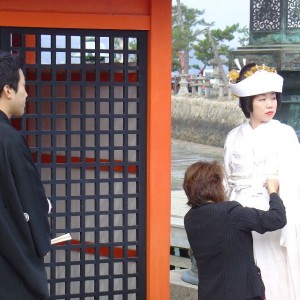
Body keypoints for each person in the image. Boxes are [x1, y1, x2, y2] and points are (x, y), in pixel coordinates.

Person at [225, 62, 300, 299]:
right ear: (248, 103)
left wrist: (289, 225)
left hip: (271, 214)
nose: (270, 105)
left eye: (273, 98)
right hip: (238, 213)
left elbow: (293, 179)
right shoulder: (233, 136)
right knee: (240, 275)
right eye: (262, 99)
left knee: (272, 273)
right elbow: (227, 180)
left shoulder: (284, 133)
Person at [183, 160, 286, 300]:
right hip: (243, 294)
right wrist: (273, 192)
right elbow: (277, 219)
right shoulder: (230, 212)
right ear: (215, 186)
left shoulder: (189, 219)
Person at [0, 50, 51, 299]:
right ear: (8, 90)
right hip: (9, 267)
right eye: (23, 86)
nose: (27, 93)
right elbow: (32, 200)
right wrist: (44, 210)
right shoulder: (9, 140)